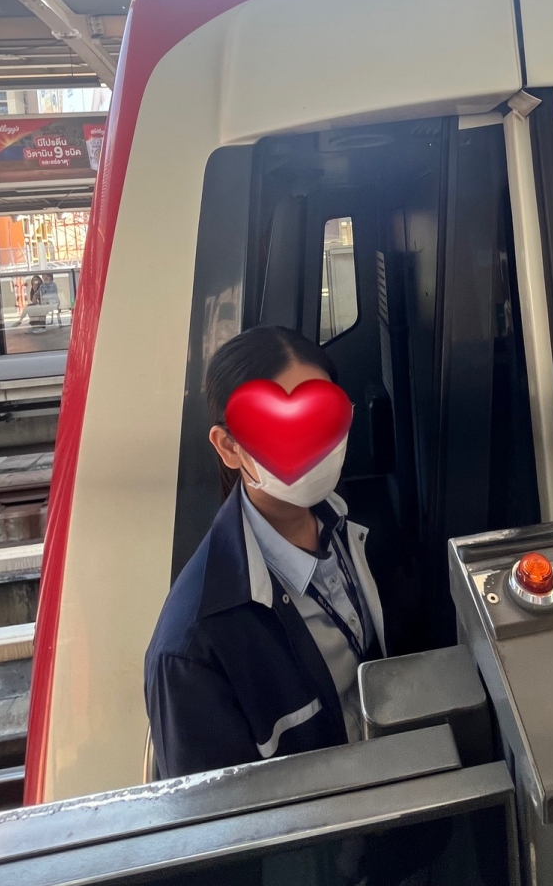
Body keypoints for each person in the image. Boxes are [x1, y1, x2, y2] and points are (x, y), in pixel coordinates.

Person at [145, 325, 385, 780]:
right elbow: (220, 815)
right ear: (229, 447)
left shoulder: (349, 526)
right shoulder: (192, 649)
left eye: (323, 418)